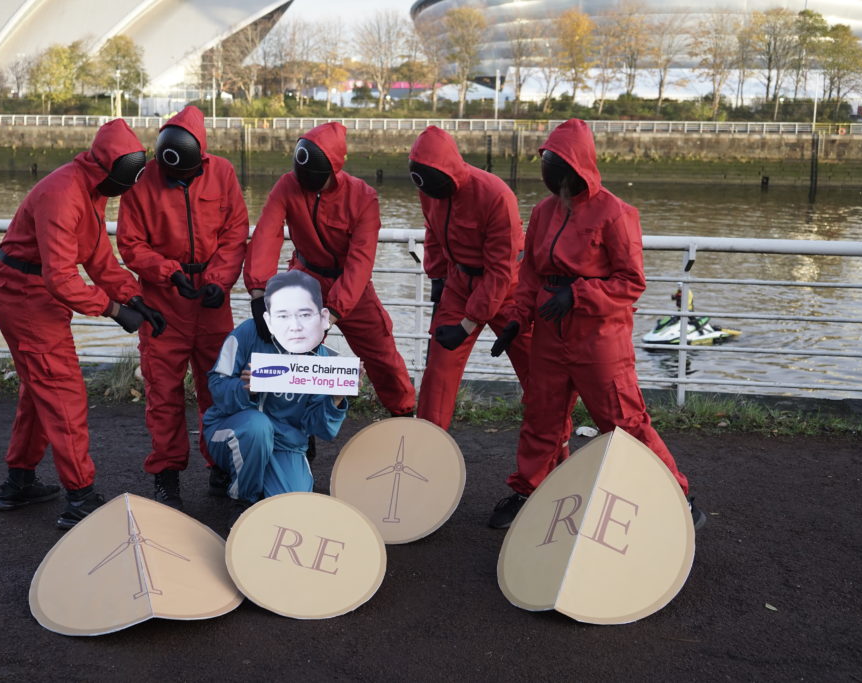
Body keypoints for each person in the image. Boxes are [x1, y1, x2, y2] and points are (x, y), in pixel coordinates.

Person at [488, 118, 704, 531]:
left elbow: (630, 281)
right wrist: (517, 318)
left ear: (577, 167)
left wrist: (579, 294)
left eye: (558, 166)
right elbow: (531, 272)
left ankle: (678, 500)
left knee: (624, 422)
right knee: (541, 416)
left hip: (599, 339)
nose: (552, 177)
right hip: (550, 335)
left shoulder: (616, 213)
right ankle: (530, 489)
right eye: (547, 164)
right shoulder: (543, 211)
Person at [0, 118, 166, 531]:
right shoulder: (64, 193)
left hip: (30, 291)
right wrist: (115, 310)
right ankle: (81, 496)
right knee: (62, 390)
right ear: (109, 169)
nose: (127, 187)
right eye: (126, 178)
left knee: (40, 387)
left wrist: (134, 295)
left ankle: (19, 481)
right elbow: (62, 278)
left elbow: (97, 256)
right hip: (24, 294)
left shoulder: (89, 188)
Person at [117, 106, 249, 510]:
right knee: (163, 392)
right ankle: (167, 475)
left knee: (220, 388)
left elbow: (235, 231)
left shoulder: (223, 172)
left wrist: (219, 281)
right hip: (163, 303)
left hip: (211, 302)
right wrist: (168, 272)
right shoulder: (141, 183)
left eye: (189, 175)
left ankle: (221, 466)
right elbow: (130, 243)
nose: (182, 180)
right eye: (175, 175)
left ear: (202, 159)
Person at [243, 121, 414, 422]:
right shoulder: (287, 184)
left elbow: (361, 261)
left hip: (351, 286)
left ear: (333, 171)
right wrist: (259, 293)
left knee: (383, 356)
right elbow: (267, 234)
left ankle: (404, 415)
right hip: (304, 280)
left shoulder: (363, 197)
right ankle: (295, 425)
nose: (307, 184)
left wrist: (332, 313)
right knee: (291, 354)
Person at [203, 270, 354, 527]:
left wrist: (336, 398)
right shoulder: (245, 334)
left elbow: (318, 426)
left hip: (286, 443)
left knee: (295, 510)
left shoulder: (323, 359)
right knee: (257, 427)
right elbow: (215, 386)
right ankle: (244, 500)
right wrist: (245, 389)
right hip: (231, 428)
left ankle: (258, 476)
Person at [408, 125, 534, 429]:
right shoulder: (430, 190)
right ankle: (427, 445)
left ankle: (558, 449)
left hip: (510, 289)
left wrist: (465, 326)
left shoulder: (496, 196)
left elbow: (500, 271)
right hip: (458, 283)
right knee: (439, 372)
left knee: (537, 371)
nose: (430, 195)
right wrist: (437, 278)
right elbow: (433, 231)